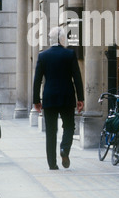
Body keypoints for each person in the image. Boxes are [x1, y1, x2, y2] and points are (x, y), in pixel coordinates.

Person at [33, 27, 84, 170]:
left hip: (49, 97)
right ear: (62, 39)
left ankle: (52, 164)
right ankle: (64, 149)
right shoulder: (70, 54)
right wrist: (80, 98)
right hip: (67, 97)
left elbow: (37, 80)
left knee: (50, 131)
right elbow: (77, 77)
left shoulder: (43, 56)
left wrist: (36, 100)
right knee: (69, 126)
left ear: (51, 39)